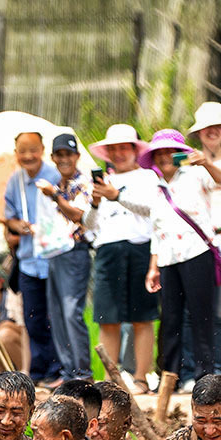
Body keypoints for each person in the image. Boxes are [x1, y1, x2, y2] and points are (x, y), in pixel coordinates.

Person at [134, 129, 218, 381]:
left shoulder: (196, 175)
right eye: (159, 153)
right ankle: (170, 375)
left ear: (180, 153)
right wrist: (153, 266)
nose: (164, 157)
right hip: (168, 259)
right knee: (170, 318)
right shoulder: (156, 188)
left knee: (201, 316)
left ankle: (206, 376)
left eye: (170, 152)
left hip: (197, 254)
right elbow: (157, 231)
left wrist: (206, 162)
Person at [85, 124, 159, 392]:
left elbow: (153, 210)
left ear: (134, 150)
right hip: (108, 250)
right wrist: (95, 201)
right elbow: (89, 224)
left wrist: (117, 196)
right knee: (108, 318)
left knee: (143, 317)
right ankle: (109, 380)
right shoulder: (102, 181)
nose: (118, 154)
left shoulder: (149, 177)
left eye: (123, 148)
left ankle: (141, 377)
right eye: (113, 149)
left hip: (140, 248)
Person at [184, 101, 221, 381]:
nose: (212, 132)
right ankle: (194, 369)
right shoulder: (188, 164)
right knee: (194, 311)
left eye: (217, 127)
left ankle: (219, 369)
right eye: (206, 129)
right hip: (195, 246)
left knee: (219, 312)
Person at [35, 132, 94, 382]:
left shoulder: (84, 184)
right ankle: (68, 371)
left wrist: (54, 197)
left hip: (76, 253)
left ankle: (83, 371)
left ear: (77, 157)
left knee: (71, 311)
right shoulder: (55, 185)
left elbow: (78, 215)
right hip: (55, 253)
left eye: (68, 154)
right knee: (57, 312)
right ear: (53, 158)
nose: (64, 159)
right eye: (59, 155)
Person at [4, 131, 61, 385]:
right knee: (33, 317)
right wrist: (20, 226)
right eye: (22, 151)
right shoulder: (14, 182)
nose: (28, 156)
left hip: (53, 257)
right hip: (27, 260)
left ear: (42, 150)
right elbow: (9, 218)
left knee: (56, 314)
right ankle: (40, 370)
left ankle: (61, 368)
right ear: (16, 154)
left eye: (33, 150)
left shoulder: (56, 176)